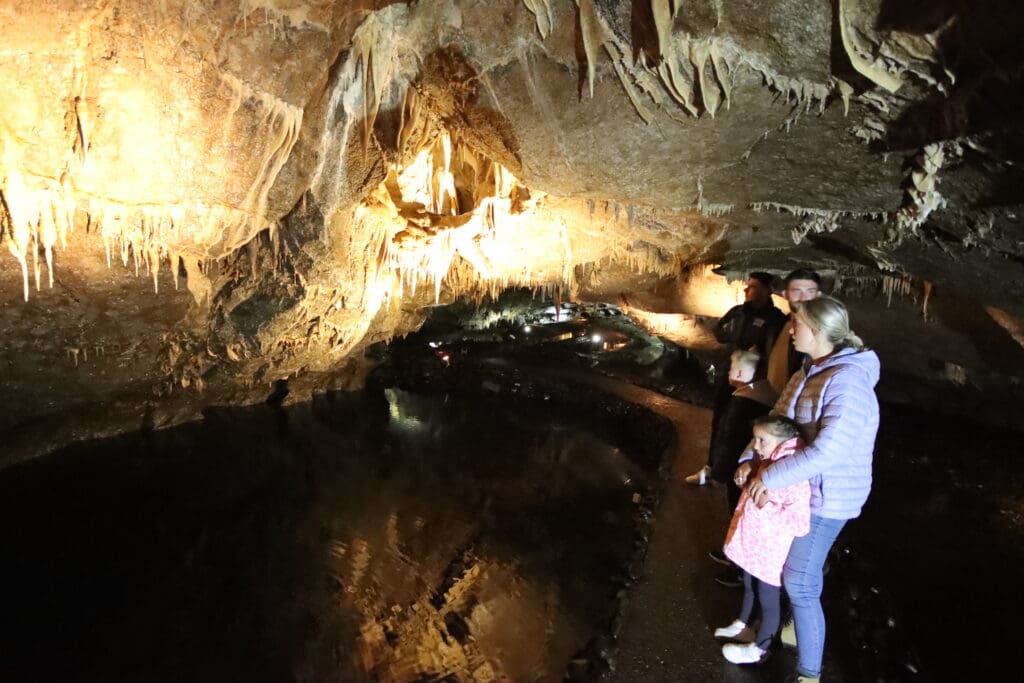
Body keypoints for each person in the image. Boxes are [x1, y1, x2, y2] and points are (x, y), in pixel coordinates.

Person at [737, 296, 880, 683]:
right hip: (798, 489)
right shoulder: (806, 373)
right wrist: (748, 461)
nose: (791, 329)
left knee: (800, 580)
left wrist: (767, 478)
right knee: (785, 568)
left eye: (796, 323)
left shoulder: (847, 382)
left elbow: (828, 452)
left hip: (826, 496)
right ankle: (790, 630)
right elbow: (777, 422)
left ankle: (809, 675)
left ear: (817, 331)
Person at [715, 415, 811, 665]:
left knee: (769, 601)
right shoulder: (771, 461)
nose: (755, 446)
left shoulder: (793, 472)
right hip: (754, 545)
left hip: (770, 551)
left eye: (761, 440)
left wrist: (768, 505)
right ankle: (743, 624)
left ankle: (760, 648)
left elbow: (800, 523)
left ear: (783, 441)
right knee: (748, 584)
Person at [691, 272, 786, 486]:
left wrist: (757, 360)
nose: (746, 290)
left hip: (754, 381)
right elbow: (719, 331)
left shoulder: (776, 318)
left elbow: (775, 352)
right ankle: (711, 468)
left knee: (737, 425)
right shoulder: (738, 312)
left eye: (751, 286)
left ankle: (732, 472)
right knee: (719, 420)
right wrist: (734, 341)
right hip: (731, 371)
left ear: (766, 290)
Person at [766, 269, 821, 397]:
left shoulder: (823, 334)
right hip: (772, 403)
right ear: (785, 294)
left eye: (810, 292)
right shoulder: (775, 325)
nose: (803, 298)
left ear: (818, 296)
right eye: (797, 291)